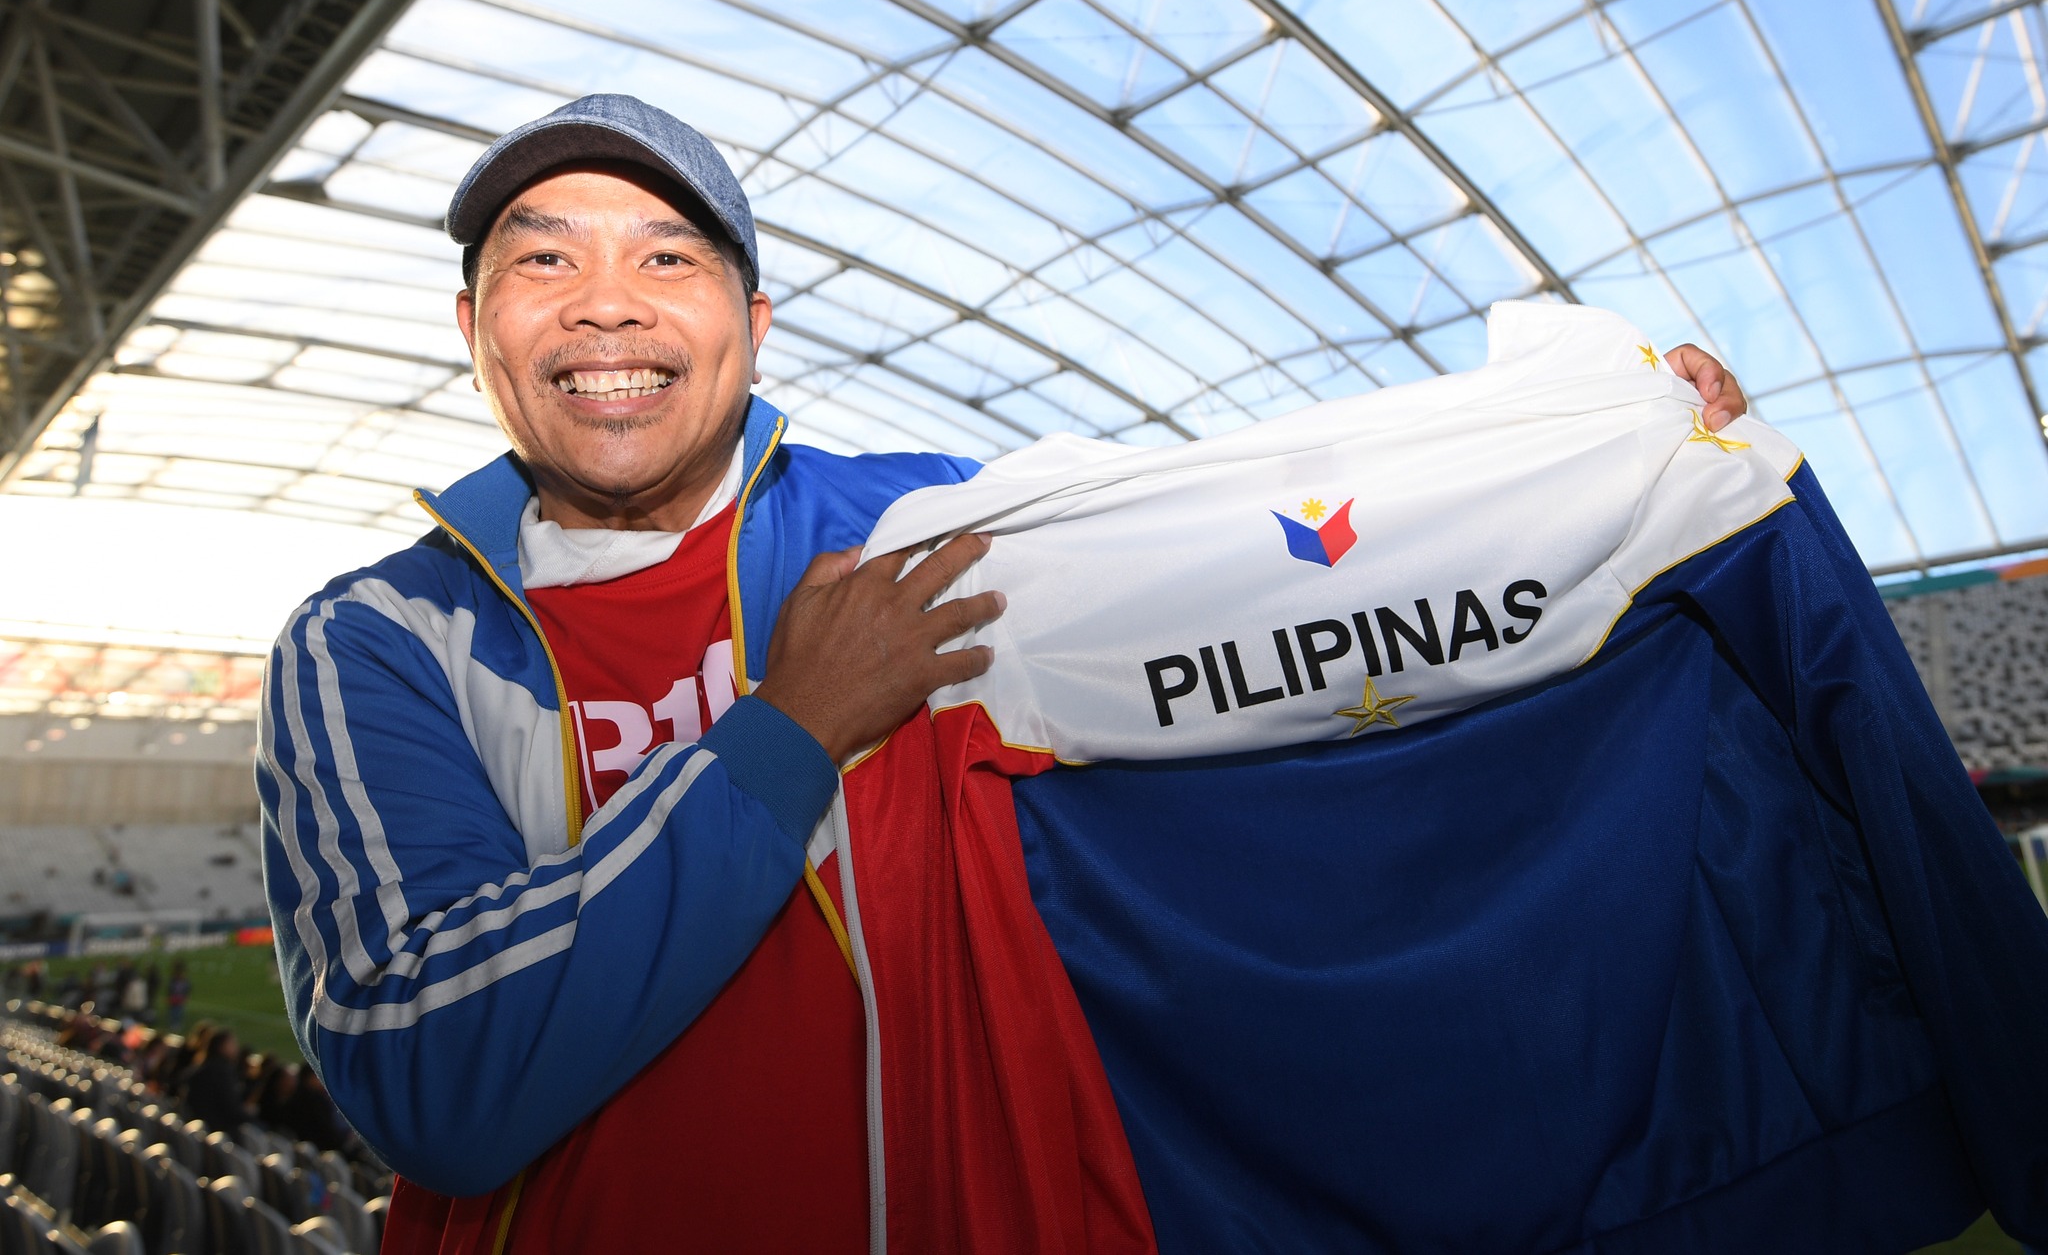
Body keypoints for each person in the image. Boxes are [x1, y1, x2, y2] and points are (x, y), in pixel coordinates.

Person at [257, 93, 1747, 1254]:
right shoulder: (373, 643)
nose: (605, 303)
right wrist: (789, 735)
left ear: (754, 326)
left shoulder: (943, 524)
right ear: (473, 329)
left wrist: (1576, 465)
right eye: (543, 259)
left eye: (667, 256)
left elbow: (1270, 551)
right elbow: (434, 1064)